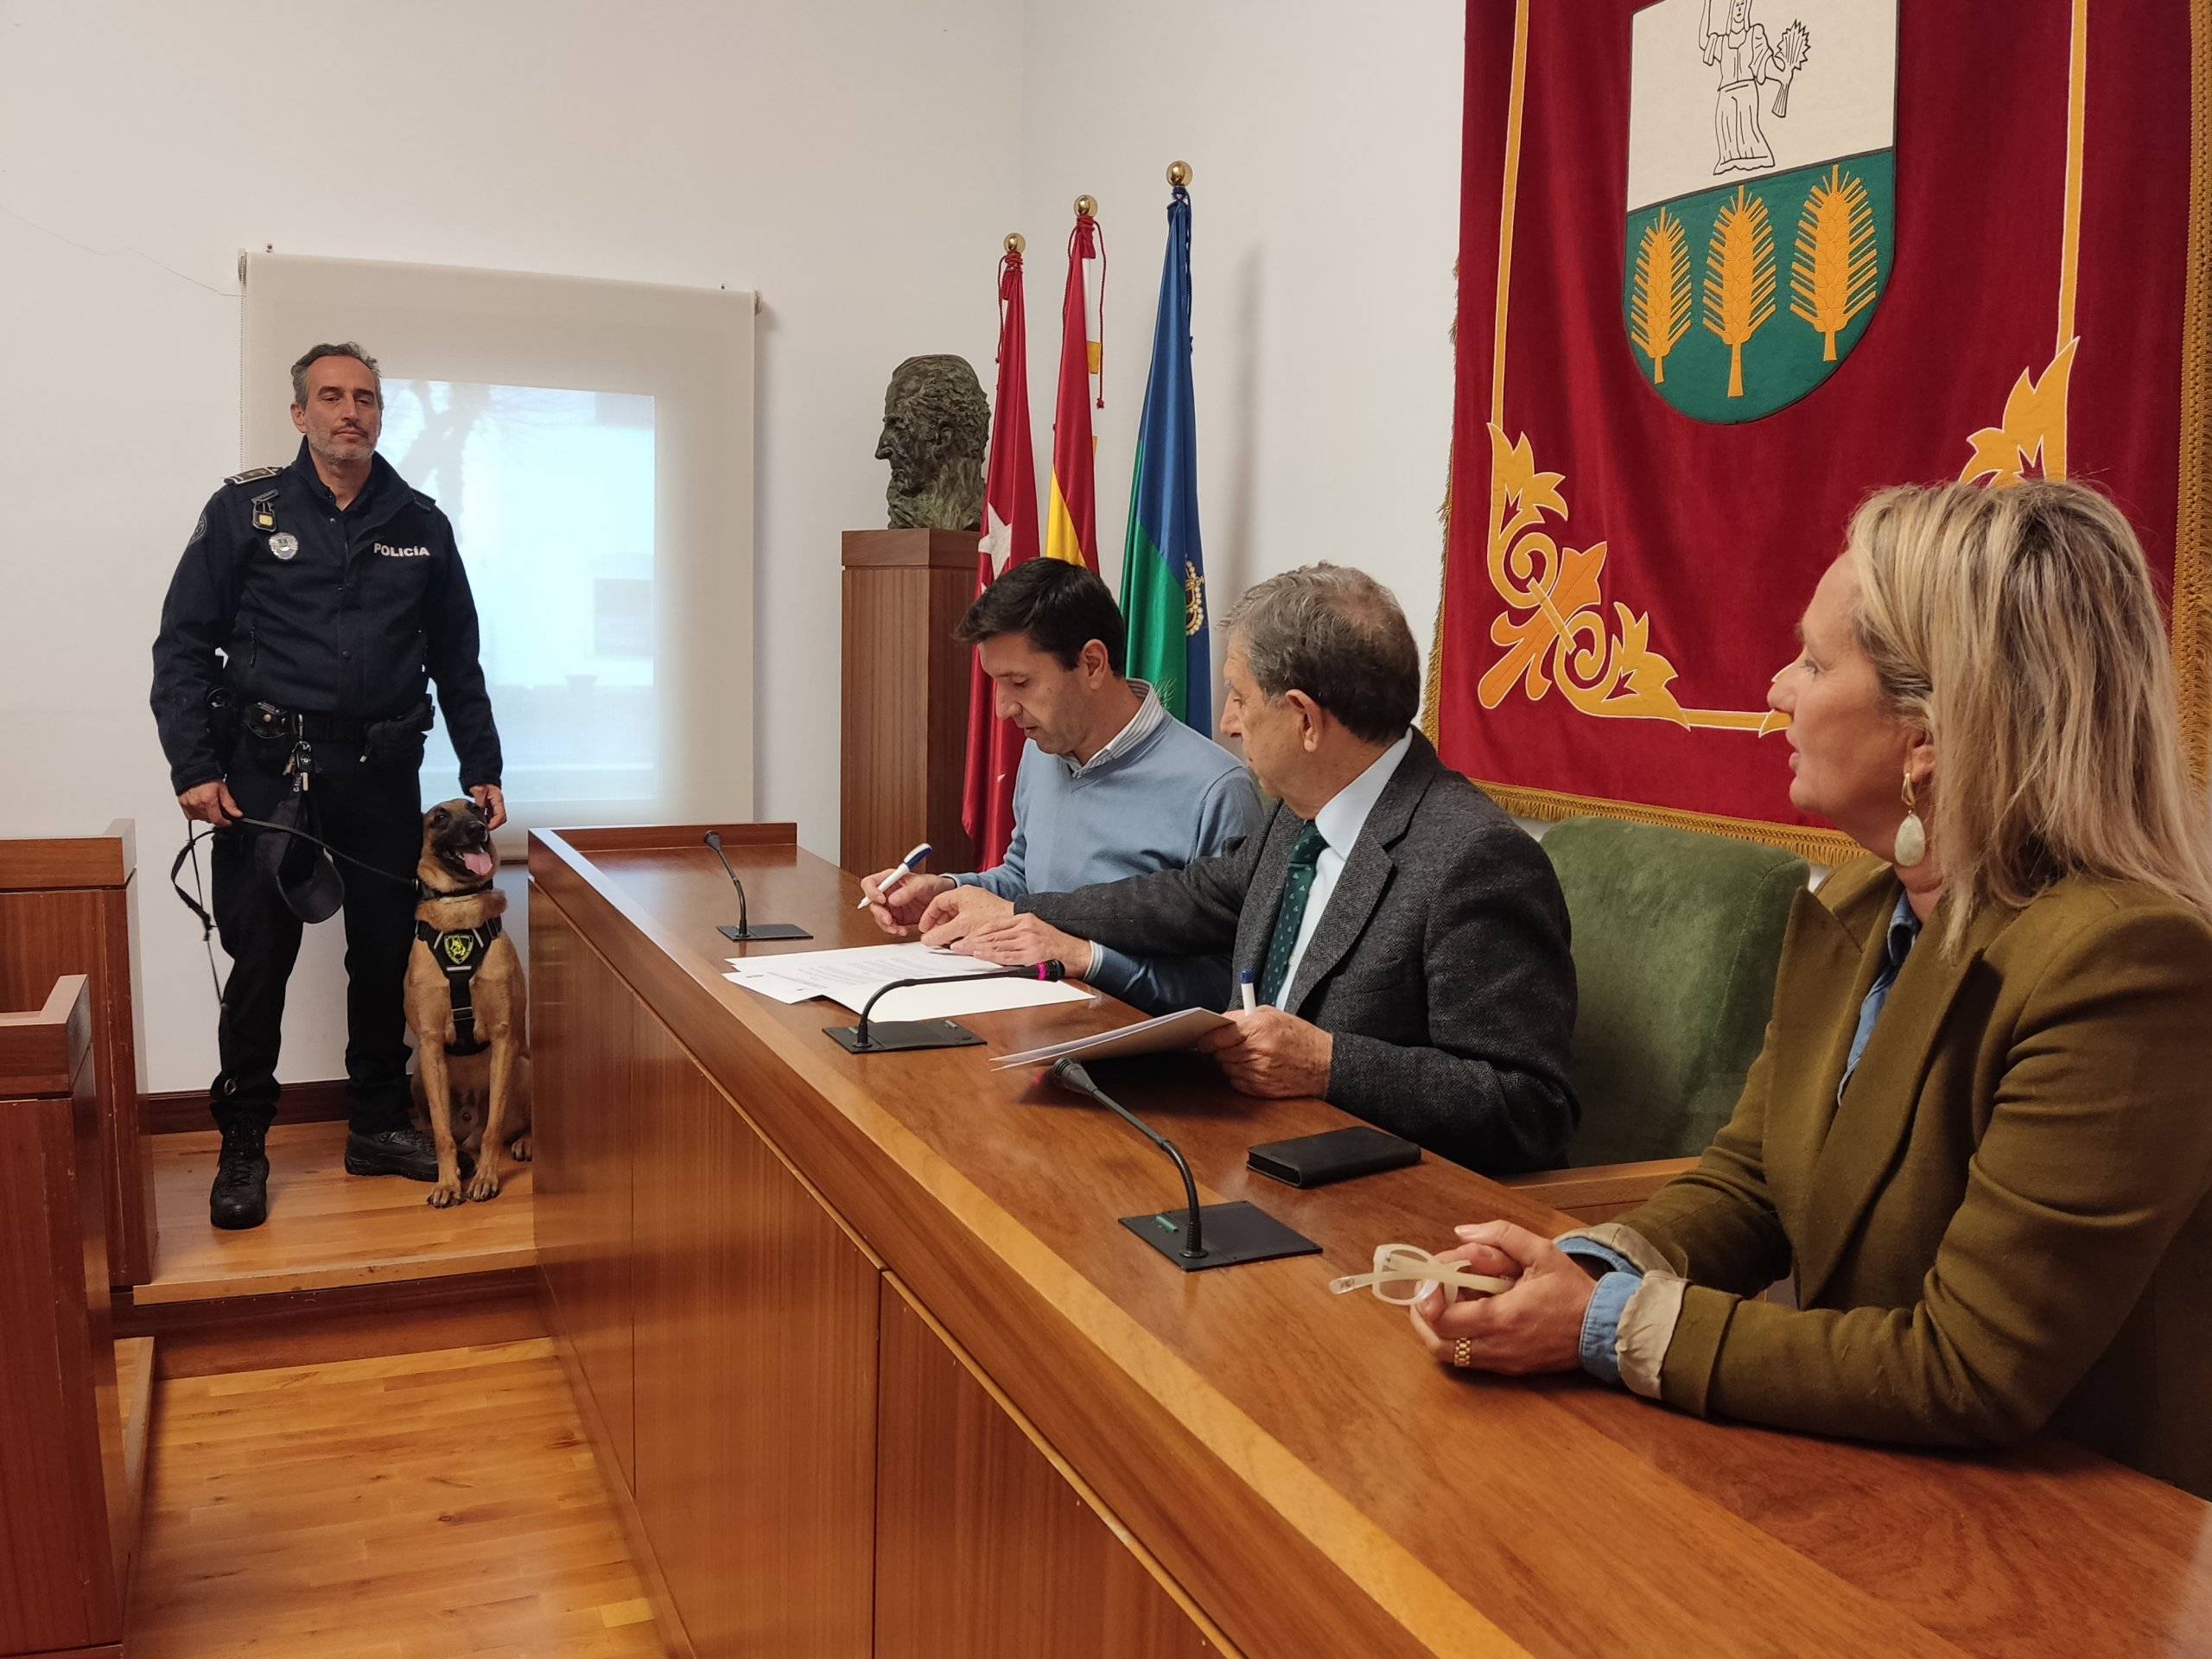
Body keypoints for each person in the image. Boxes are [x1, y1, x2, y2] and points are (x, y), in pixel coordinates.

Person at [1408, 480, 2212, 1499]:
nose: (1780, 688)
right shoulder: (1865, 902)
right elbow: (1754, 1183)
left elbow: (1970, 1369)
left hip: (2053, 1542)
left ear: (1927, 736)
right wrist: (1579, 1267)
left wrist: (1601, 1325)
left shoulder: (2127, 966)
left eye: (1816, 662)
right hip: (1874, 1473)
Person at [928, 563, 1578, 1173]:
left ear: (1304, 719)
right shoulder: (1295, 815)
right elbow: (1186, 897)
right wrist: (1021, 913)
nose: (1227, 724)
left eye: (1239, 697)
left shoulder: (1475, 858)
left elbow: (1530, 1108)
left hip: (1372, 1195)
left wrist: (1329, 1063)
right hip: (1243, 1143)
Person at [151, 341, 506, 1230]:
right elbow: (182, 646)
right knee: (262, 962)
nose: (351, 412)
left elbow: (457, 658)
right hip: (268, 776)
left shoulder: (418, 521)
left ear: (381, 414)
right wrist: (194, 766)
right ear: (300, 413)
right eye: (332, 397)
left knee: (383, 957)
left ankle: (377, 1126)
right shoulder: (246, 512)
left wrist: (482, 764)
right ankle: (243, 1143)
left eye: (367, 399)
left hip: (381, 775)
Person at [863, 557, 1260, 1014]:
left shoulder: (1216, 790)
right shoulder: (1042, 751)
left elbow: (1231, 989)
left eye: (1020, 682)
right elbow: (1025, 878)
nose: (1003, 710)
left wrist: (1090, 961)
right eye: (996, 683)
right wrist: (947, 891)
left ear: (1091, 663)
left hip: (1139, 1058)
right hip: (1029, 1020)